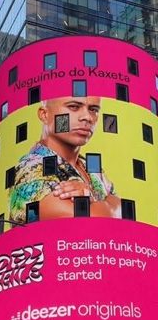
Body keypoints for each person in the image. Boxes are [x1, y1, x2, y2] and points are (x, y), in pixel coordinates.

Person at [10, 96, 120, 224]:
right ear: (44, 114)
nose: (87, 117)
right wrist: (107, 204)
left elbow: (123, 212)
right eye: (74, 107)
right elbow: (102, 222)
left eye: (93, 109)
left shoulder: (90, 167)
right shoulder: (30, 169)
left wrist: (92, 199)